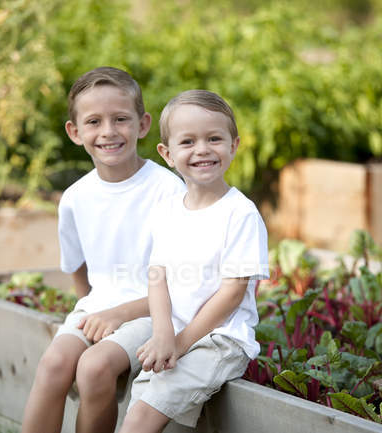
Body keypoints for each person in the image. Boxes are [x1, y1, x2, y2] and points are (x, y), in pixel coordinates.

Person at [21, 66, 185, 433]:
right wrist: (93, 311)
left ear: (143, 125)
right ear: (75, 132)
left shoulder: (169, 191)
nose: (108, 131)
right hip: (100, 307)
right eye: (94, 121)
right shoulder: (76, 197)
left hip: (157, 312)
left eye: (120, 119)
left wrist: (118, 315)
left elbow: (185, 283)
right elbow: (77, 266)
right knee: (54, 365)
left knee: (94, 367)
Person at [118, 90, 269, 433]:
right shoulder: (169, 209)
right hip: (176, 333)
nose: (202, 149)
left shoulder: (239, 213)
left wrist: (181, 343)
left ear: (233, 145)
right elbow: (158, 277)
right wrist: (163, 333)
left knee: (142, 418)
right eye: (188, 141)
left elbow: (232, 294)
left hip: (220, 340)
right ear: (167, 154)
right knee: (140, 409)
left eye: (214, 138)